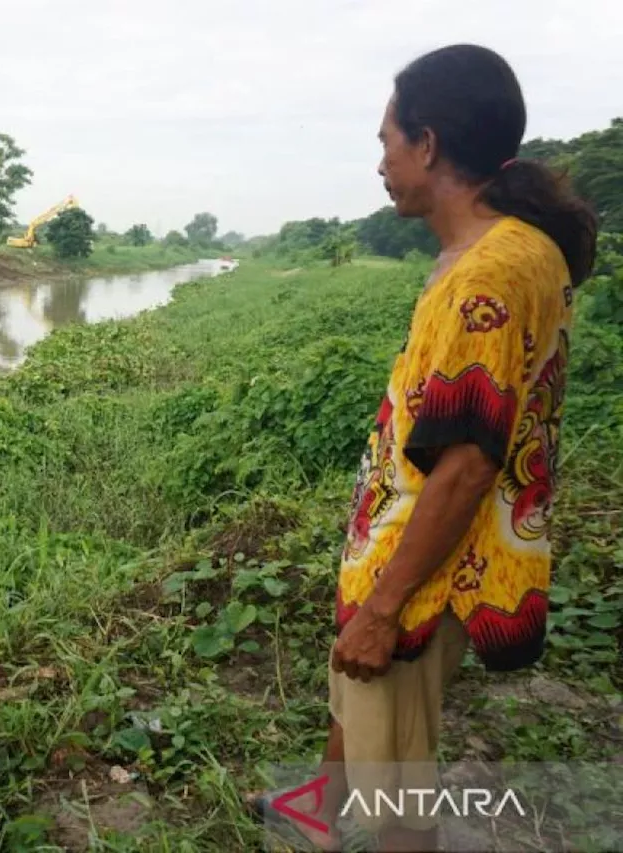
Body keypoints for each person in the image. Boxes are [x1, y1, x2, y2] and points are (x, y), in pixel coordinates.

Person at [246, 44, 597, 852]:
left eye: (386, 142)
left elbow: (469, 465)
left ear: (429, 144)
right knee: (362, 706)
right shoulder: (507, 250)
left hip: (426, 567)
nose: (381, 162)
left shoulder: (488, 276)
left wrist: (382, 606)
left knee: (398, 783)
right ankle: (315, 810)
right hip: (406, 546)